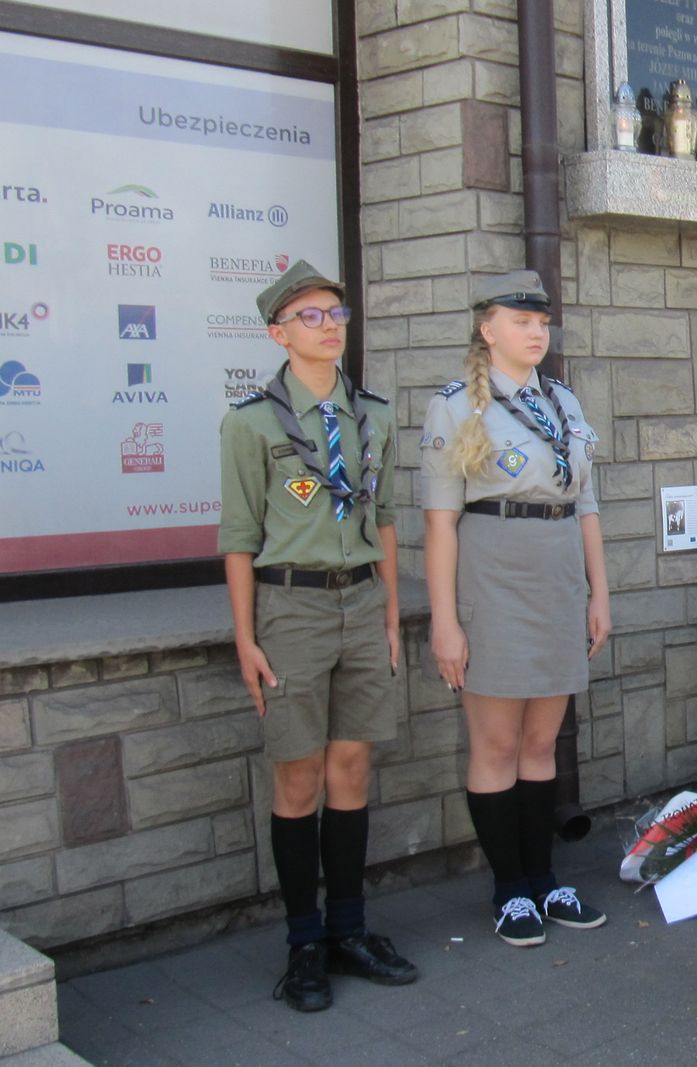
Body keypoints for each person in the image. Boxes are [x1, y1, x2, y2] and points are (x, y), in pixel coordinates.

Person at [218, 261, 418, 1011]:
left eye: (336, 313)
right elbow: (239, 538)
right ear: (279, 334)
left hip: (362, 604)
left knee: (351, 770)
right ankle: (304, 943)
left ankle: (349, 931)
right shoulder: (251, 424)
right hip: (291, 609)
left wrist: (390, 614)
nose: (329, 326)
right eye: (310, 315)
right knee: (298, 778)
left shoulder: (374, 416)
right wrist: (246, 638)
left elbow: (385, 518)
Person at [422, 271, 612, 946]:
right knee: (498, 744)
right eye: (521, 321)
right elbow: (440, 523)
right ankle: (509, 890)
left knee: (540, 744)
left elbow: (585, 503)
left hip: (558, 579)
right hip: (493, 578)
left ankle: (544, 879)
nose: (537, 332)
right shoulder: (455, 406)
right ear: (488, 329)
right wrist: (445, 621)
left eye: (542, 322)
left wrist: (599, 592)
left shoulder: (563, 400)